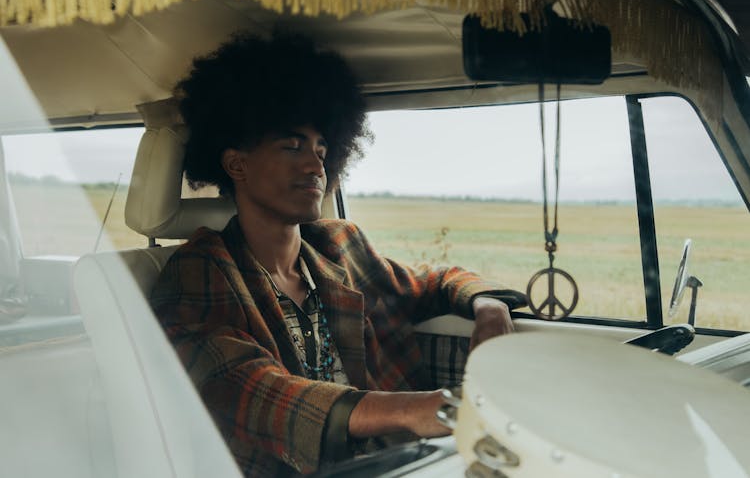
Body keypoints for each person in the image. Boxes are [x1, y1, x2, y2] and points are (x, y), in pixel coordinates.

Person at [150, 31, 526, 477]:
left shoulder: (338, 245)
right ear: (237, 164)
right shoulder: (200, 270)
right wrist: (418, 409)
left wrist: (488, 306)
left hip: (402, 462)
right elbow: (251, 389)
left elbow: (434, 281)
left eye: (321, 149)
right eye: (292, 146)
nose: (315, 166)